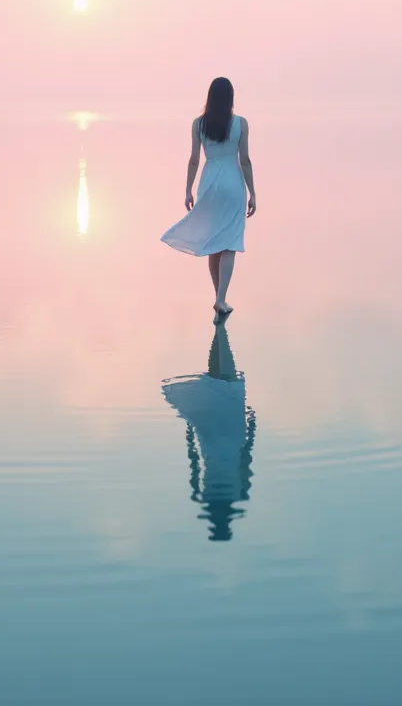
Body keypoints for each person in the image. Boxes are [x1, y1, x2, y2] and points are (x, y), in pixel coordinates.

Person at [160, 77, 256, 320]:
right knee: (230, 242)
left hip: (210, 183)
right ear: (231, 98)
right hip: (233, 184)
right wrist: (253, 192)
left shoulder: (198, 124)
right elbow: (244, 160)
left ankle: (219, 297)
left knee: (215, 243)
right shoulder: (241, 123)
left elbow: (194, 159)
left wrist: (188, 189)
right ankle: (221, 298)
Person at [162, 323, 256, 542]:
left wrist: (251, 428)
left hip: (226, 436)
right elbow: (195, 462)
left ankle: (219, 333)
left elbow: (245, 458)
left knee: (222, 380)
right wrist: (191, 429)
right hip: (213, 436)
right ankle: (219, 333)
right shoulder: (206, 497)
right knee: (217, 380)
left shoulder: (235, 494)